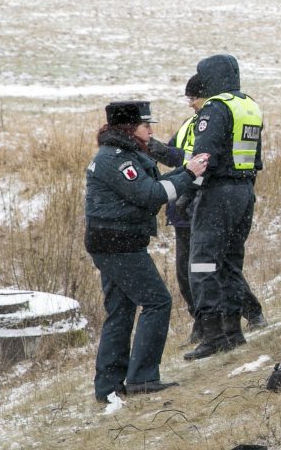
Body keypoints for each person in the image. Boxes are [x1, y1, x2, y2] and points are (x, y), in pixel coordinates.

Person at [85, 100, 209, 402]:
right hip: (119, 244)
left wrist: (186, 171)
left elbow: (151, 186)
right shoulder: (116, 160)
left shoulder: (123, 154)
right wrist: (188, 175)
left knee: (121, 311)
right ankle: (142, 378)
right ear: (129, 128)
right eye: (145, 125)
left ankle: (108, 386)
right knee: (157, 302)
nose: (151, 131)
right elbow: (150, 195)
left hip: (113, 242)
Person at [148, 75, 265, 346]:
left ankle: (234, 323)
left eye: (193, 98)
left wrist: (185, 190)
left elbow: (202, 160)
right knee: (193, 271)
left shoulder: (216, 116)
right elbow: (179, 155)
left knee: (210, 266)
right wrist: (156, 150)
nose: (191, 104)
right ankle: (207, 327)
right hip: (193, 204)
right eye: (188, 99)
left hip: (206, 197)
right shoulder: (195, 122)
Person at [183, 54, 265, 361]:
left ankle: (213, 335)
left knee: (203, 264)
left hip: (218, 193)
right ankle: (233, 331)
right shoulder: (249, 105)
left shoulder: (215, 108)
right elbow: (255, 158)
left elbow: (204, 157)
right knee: (231, 262)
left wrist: (187, 191)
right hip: (244, 191)